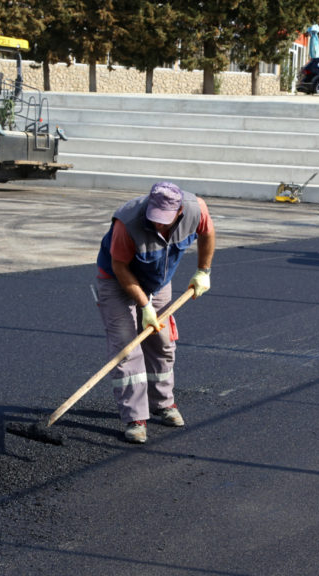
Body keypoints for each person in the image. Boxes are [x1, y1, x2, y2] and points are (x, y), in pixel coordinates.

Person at [95, 181, 216, 444]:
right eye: (155, 220)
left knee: (162, 344)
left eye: (165, 221)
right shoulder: (127, 223)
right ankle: (135, 418)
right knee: (127, 349)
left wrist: (203, 271)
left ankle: (163, 404)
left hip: (157, 282)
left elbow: (207, 234)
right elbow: (119, 267)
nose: (158, 226)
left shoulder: (196, 209)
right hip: (117, 281)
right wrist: (144, 305)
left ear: (180, 211)